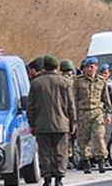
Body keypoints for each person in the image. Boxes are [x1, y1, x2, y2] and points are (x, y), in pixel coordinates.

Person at [27, 55, 76, 186]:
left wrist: (32, 124)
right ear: (56, 67)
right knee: (61, 152)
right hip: (62, 124)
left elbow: (30, 107)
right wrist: (73, 122)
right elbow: (71, 105)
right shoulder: (64, 82)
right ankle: (59, 178)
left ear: (44, 67)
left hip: (42, 125)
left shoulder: (36, 83)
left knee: (45, 153)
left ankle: (47, 179)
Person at [73, 57, 112, 174]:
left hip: (97, 112)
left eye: (92, 66)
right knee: (83, 139)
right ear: (84, 69)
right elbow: (73, 98)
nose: (90, 69)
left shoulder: (101, 81)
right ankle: (86, 161)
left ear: (96, 67)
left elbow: (106, 99)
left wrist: (108, 113)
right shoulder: (78, 81)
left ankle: (101, 160)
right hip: (82, 112)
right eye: (88, 67)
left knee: (99, 137)